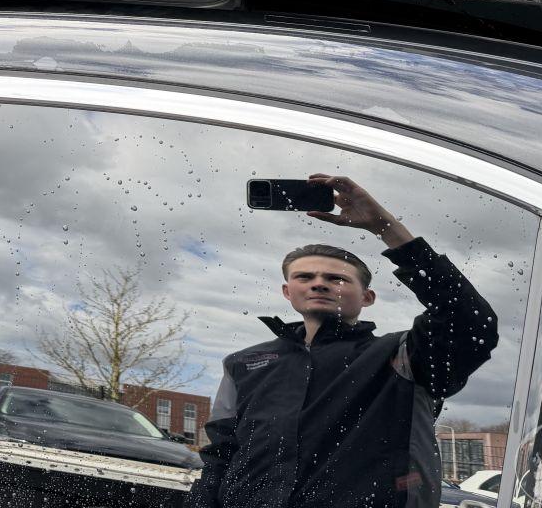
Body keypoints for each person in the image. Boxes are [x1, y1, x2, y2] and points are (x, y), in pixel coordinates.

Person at [187, 174, 497, 508]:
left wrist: (384, 226)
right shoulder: (243, 363)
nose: (319, 283)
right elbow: (219, 455)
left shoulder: (403, 356)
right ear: (287, 292)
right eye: (305, 276)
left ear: (367, 297)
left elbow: (471, 321)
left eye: (336, 278)